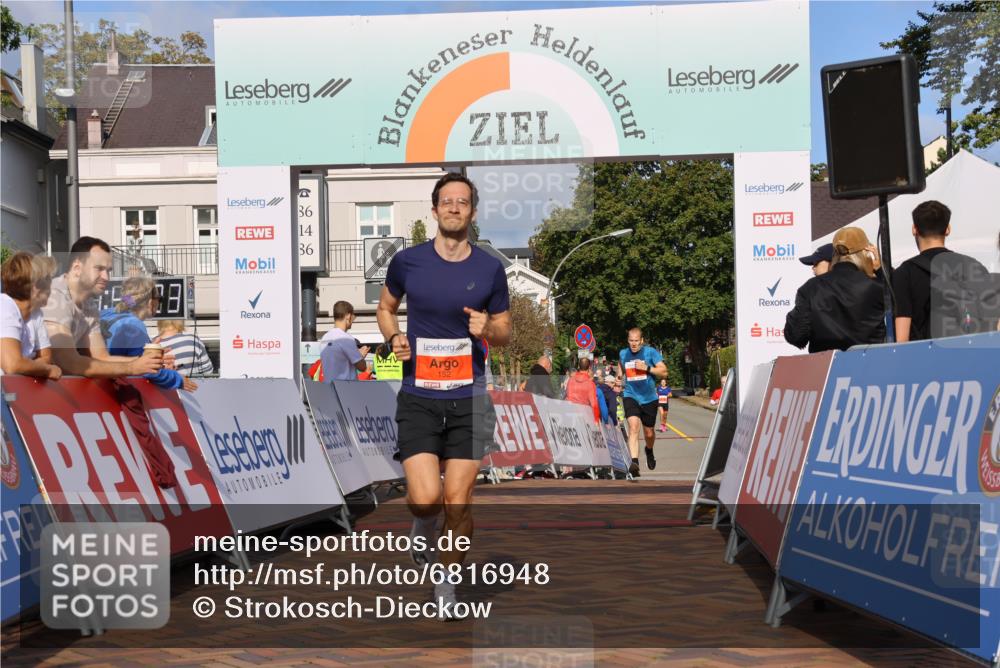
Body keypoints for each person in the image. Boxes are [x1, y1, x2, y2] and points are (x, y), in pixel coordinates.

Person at [376, 172, 511, 619]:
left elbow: (506, 330)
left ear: (473, 211)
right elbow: (385, 307)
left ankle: (446, 582)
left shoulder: (490, 267)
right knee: (426, 498)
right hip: (419, 394)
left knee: (459, 500)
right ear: (434, 210)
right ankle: (420, 520)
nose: (455, 208)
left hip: (469, 398)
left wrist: (487, 327)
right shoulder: (408, 262)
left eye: (463, 202)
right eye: (447, 201)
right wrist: (394, 336)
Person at [41, 237, 162, 378]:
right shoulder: (55, 296)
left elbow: (101, 357)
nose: (106, 277)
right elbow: (68, 362)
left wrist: (148, 362)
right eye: (99, 269)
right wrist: (132, 367)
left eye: (108, 270)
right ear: (77, 268)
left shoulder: (89, 305)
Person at [892, 200, 995, 341]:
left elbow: (902, 338)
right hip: (969, 355)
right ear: (948, 229)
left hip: (926, 358)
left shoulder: (904, 273)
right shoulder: (973, 266)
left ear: (914, 229)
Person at [784, 226, 886, 353]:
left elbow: (796, 336)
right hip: (870, 365)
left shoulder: (811, 288)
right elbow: (901, 312)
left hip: (826, 367)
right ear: (866, 252)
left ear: (835, 253)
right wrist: (882, 270)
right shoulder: (877, 286)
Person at [99, 276, 197, 392]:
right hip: (108, 389)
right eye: (159, 300)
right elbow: (146, 369)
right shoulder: (134, 325)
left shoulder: (104, 314)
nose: (159, 303)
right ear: (151, 302)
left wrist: (156, 360)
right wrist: (176, 379)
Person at [1, 252, 61, 379]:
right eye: (49, 280)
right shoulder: (5, 306)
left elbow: (47, 356)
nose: (51, 288)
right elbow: (12, 365)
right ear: (36, 287)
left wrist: (27, 366)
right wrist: (47, 369)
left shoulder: (35, 313)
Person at [617, 328, 668, 476]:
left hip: (649, 398)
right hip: (630, 395)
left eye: (636, 341)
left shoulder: (650, 352)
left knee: (649, 433)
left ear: (641, 340)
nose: (633, 344)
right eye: (631, 341)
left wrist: (646, 368)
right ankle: (634, 463)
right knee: (633, 427)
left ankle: (649, 450)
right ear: (628, 341)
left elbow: (664, 372)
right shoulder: (623, 353)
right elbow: (621, 368)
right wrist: (618, 379)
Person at [320, 301, 369, 381]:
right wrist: (360, 355)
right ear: (348, 316)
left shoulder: (324, 338)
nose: (353, 320)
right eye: (353, 317)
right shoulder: (346, 339)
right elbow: (362, 367)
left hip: (329, 387)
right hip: (346, 389)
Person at [565, 357, 601, 423]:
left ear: (579, 366)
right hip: (583, 417)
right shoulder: (590, 384)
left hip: (569, 414)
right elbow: (594, 404)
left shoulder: (571, 380)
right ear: (589, 367)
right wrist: (596, 420)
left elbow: (568, 397)